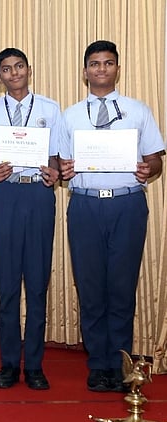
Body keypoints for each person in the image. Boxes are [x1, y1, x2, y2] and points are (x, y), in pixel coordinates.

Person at [58, 40, 165, 393]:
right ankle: (97, 364)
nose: (101, 69)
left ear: (117, 69)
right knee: (90, 287)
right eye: (94, 64)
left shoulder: (138, 110)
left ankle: (120, 362)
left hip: (127, 205)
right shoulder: (70, 115)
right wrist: (65, 169)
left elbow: (156, 161)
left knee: (121, 286)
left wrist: (147, 168)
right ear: (84, 71)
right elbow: (60, 164)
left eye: (108, 63)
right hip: (86, 205)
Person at [0, 48, 63, 391]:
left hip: (39, 195)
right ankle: (10, 364)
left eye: (19, 67)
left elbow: (58, 158)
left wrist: (55, 173)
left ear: (29, 69)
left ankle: (36, 366)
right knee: (9, 284)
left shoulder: (49, 108)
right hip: (5, 196)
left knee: (38, 281)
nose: (13, 73)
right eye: (6, 69)